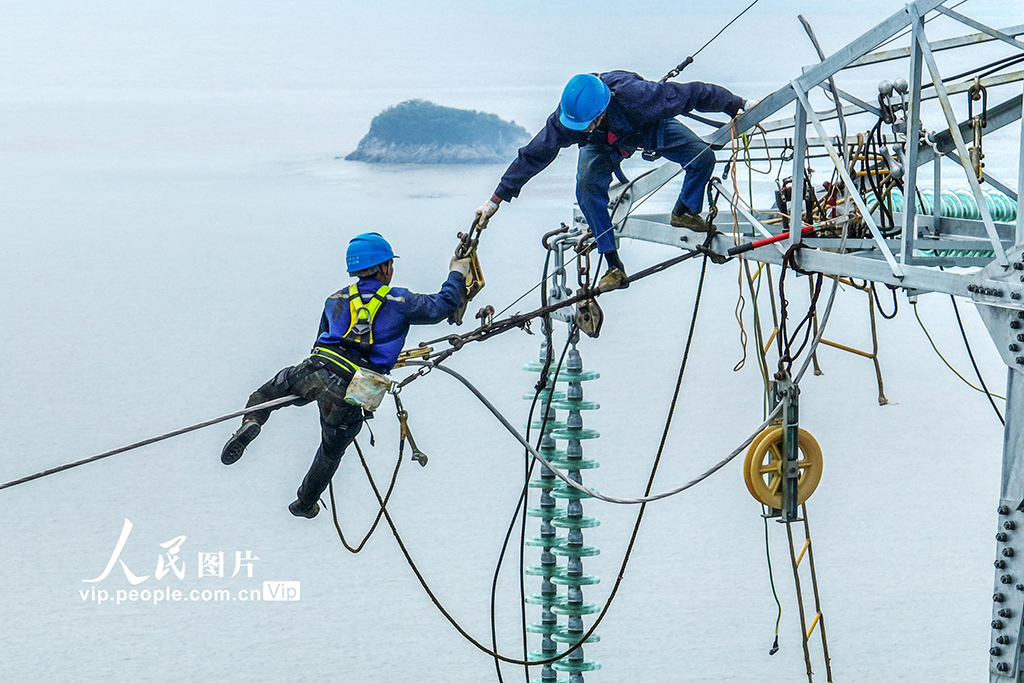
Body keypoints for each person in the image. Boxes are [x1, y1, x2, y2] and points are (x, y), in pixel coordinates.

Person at [220, 232, 468, 519]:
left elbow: (319, 343)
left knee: (264, 395)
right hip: (353, 388)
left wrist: (306, 392)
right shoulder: (400, 300)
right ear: (383, 267)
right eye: (390, 264)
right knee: (331, 450)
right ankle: (304, 502)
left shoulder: (335, 299)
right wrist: (457, 272)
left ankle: (252, 422)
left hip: (315, 369)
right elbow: (442, 307)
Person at [475, 71, 753, 291]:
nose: (580, 130)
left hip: (646, 126)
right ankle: (613, 265)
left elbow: (696, 93)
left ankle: (685, 210)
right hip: (602, 142)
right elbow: (533, 156)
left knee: (702, 157)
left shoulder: (639, 96)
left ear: (600, 112)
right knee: (587, 189)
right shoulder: (568, 120)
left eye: (585, 124)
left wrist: (738, 105)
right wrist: (495, 200)